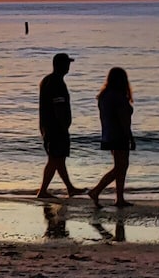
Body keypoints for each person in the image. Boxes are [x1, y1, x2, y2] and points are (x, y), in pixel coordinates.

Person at [86, 67, 136, 208]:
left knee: (120, 166)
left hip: (109, 134)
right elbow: (123, 120)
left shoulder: (105, 95)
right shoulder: (118, 96)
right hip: (119, 134)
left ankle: (119, 198)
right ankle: (96, 191)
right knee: (121, 166)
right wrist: (130, 137)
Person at [36, 53, 82, 199]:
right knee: (55, 158)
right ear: (61, 65)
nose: (69, 66)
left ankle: (69, 188)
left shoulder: (47, 80)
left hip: (48, 127)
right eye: (67, 63)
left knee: (58, 159)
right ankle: (43, 191)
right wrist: (63, 125)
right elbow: (59, 106)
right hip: (56, 128)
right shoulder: (56, 83)